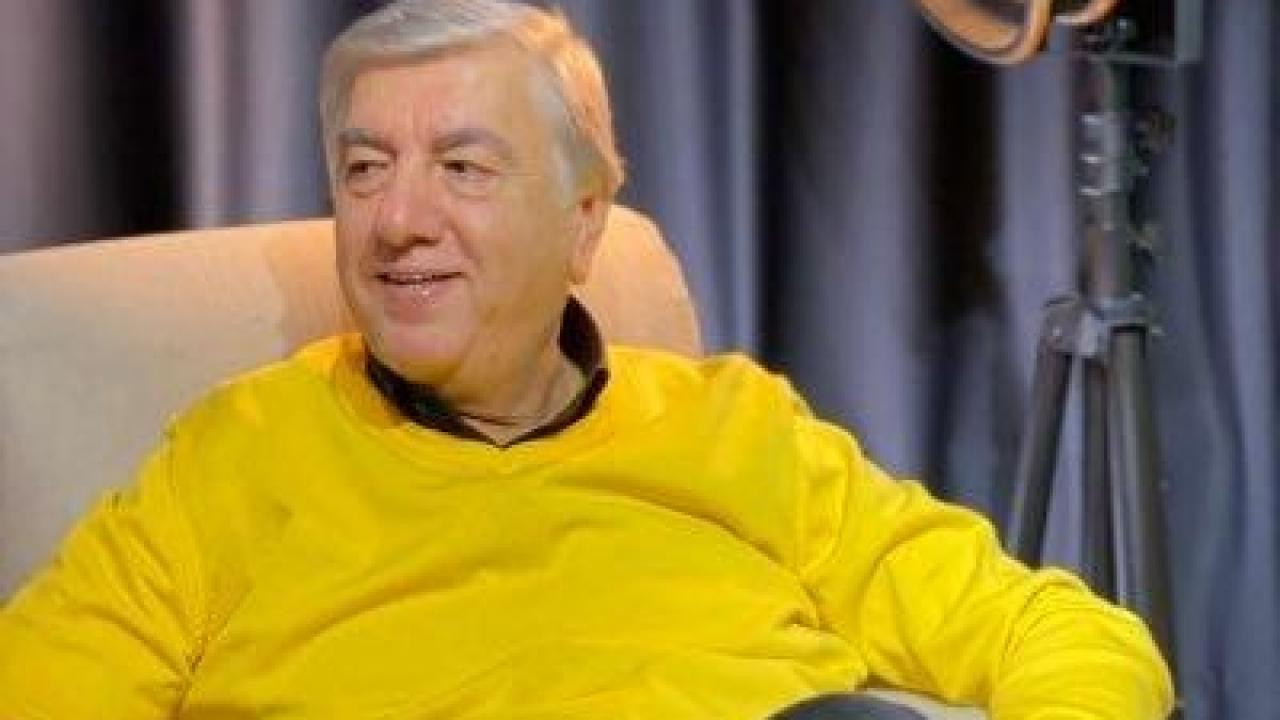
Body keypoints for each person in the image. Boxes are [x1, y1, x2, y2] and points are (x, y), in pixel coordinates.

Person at [0, 1, 1174, 718]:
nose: (395, 220)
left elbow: (1062, 638)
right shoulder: (236, 457)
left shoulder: (736, 430)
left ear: (581, 221)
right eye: (363, 169)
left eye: (461, 168)